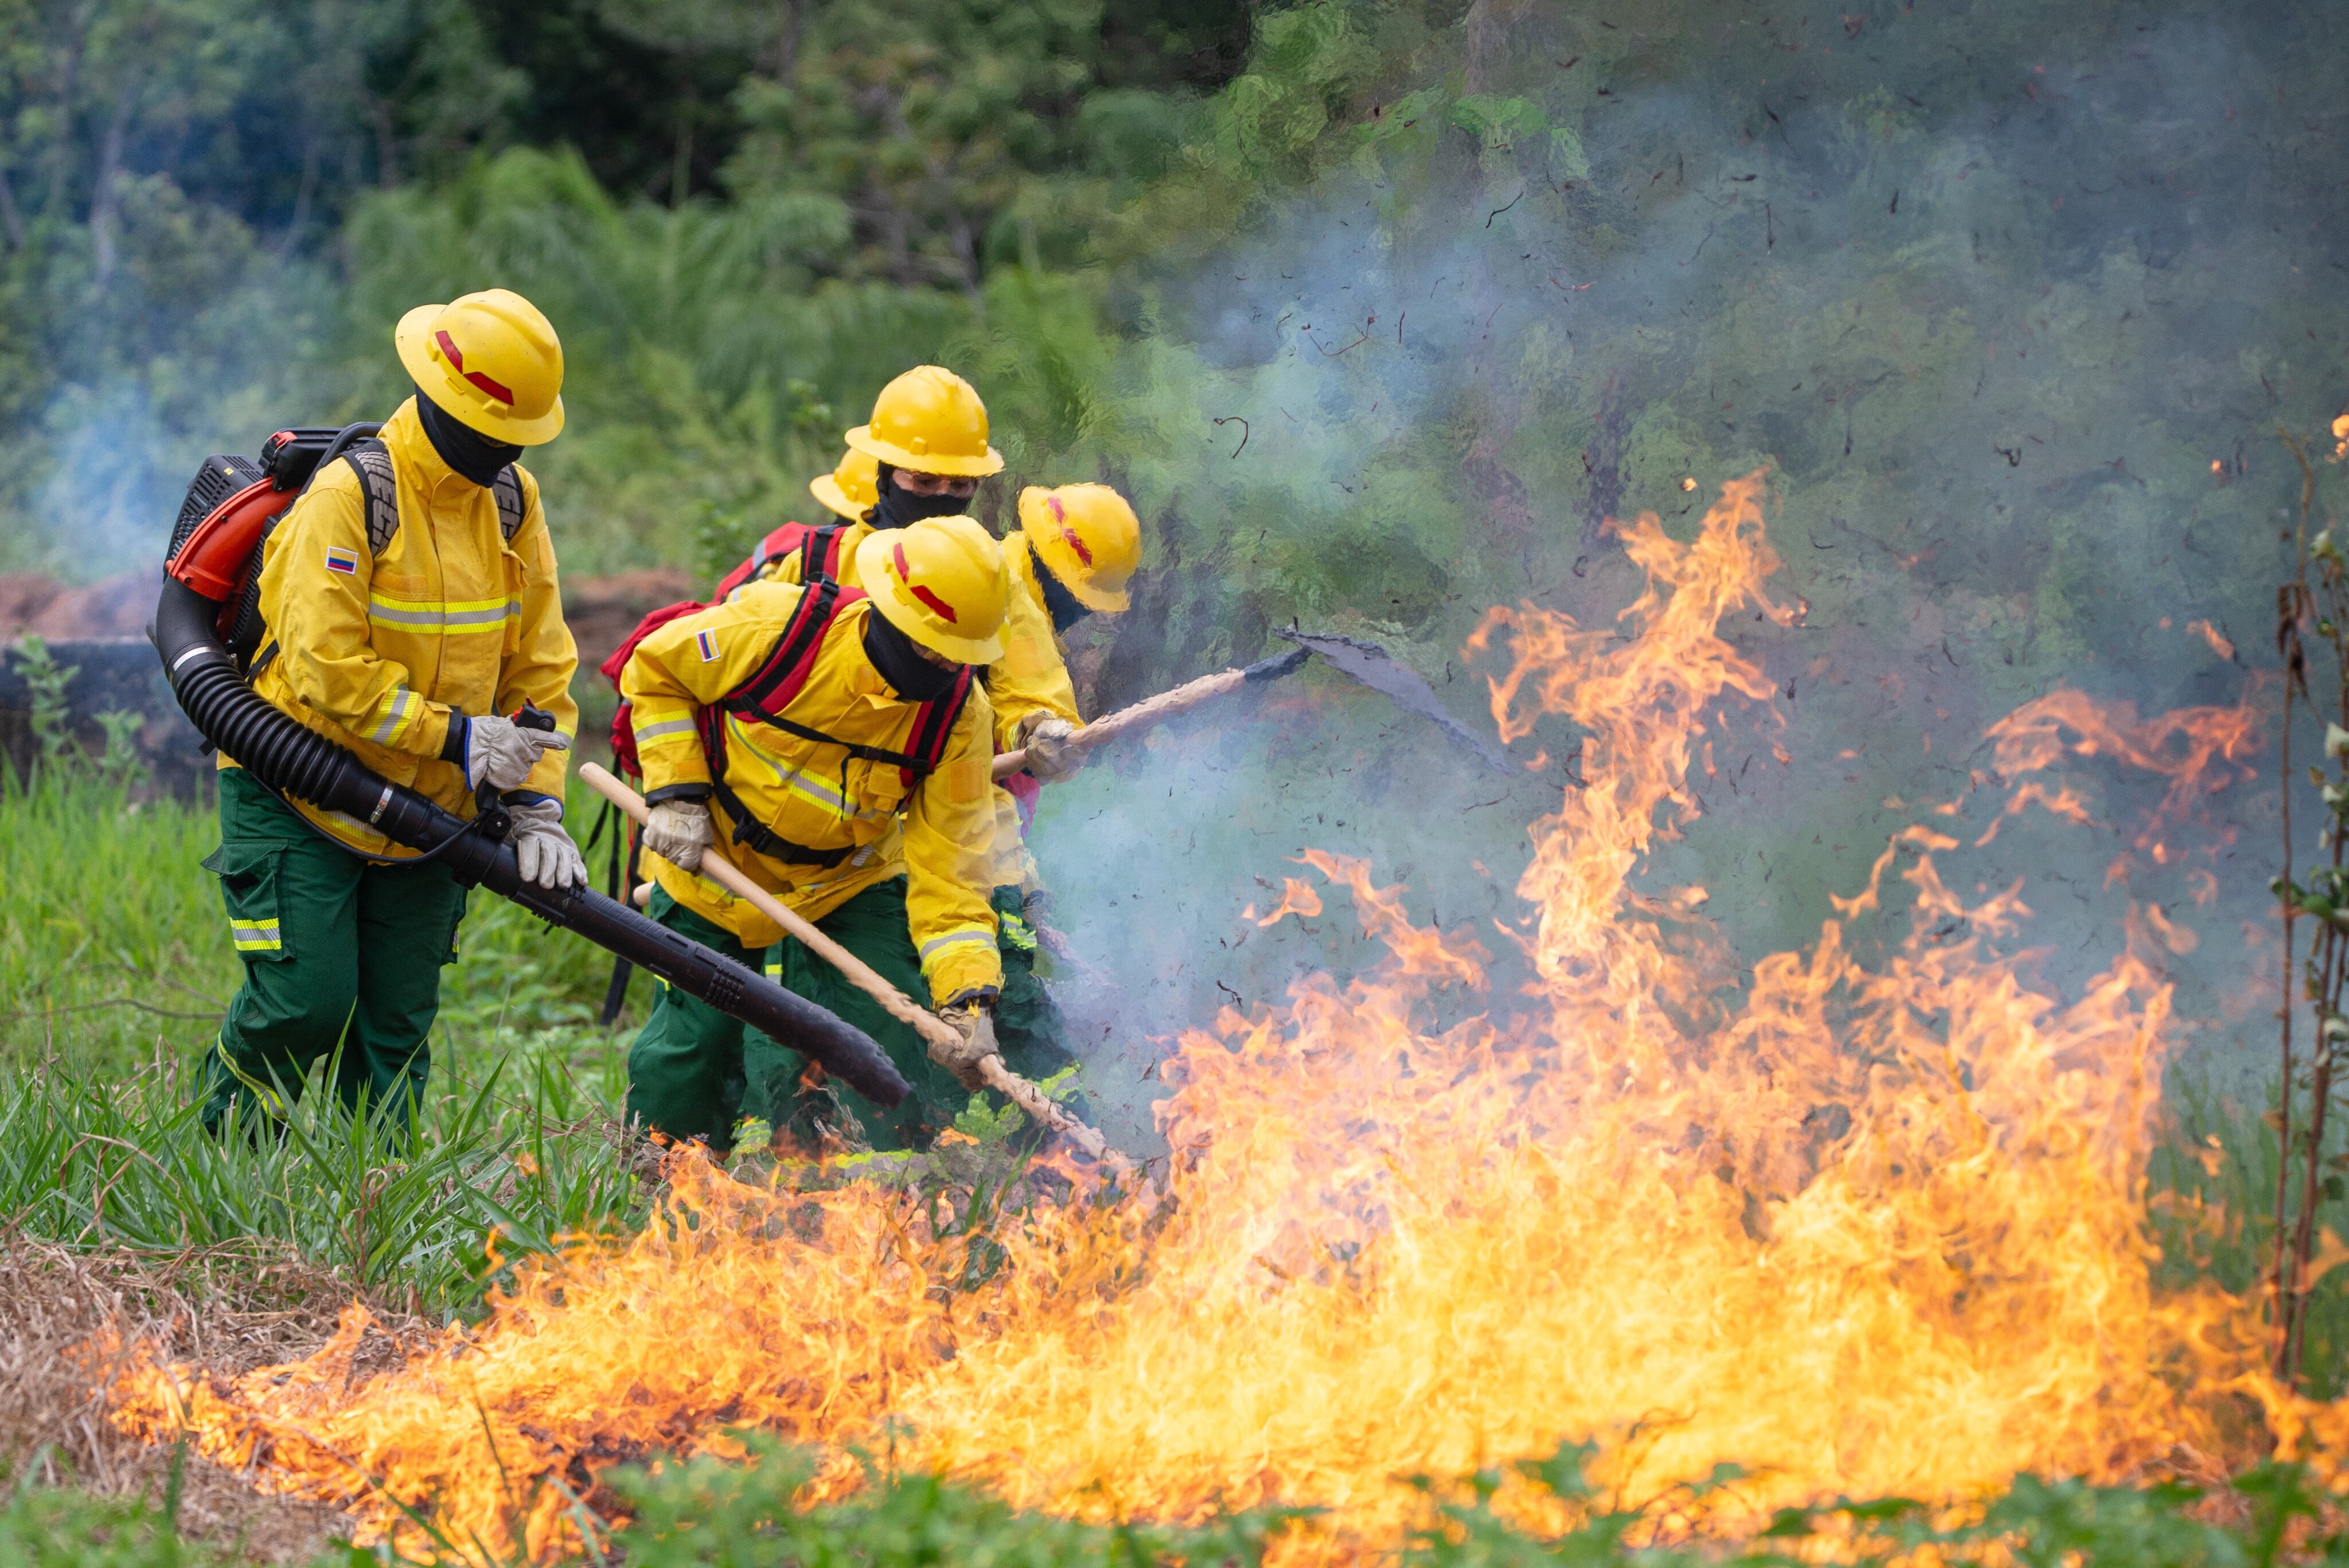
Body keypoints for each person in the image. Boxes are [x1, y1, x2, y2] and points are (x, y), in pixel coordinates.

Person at [198, 288, 585, 1135]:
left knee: (396, 1027)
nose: (504, 451)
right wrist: (458, 735)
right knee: (304, 1004)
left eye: (519, 435)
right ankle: (222, 1162)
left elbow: (543, 664)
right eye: (492, 431)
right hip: (298, 791)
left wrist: (537, 804)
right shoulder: (349, 495)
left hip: (434, 814)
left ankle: (370, 1206)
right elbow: (326, 667)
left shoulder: (513, 503)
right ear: (443, 402)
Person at [619, 515, 1012, 1155]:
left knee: (890, 1026)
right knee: (696, 1043)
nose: (946, 666)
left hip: (846, 883)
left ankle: (890, 1184)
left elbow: (954, 872)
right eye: (931, 647)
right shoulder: (776, 629)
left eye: (961, 654)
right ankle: (661, 1179)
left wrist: (967, 999)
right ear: (888, 612)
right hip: (711, 865)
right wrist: (676, 793)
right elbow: (656, 669)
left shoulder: (961, 716)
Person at [977, 483, 1142, 1081]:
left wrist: (1030, 886)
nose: (1080, 611)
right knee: (1008, 985)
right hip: (941, 845)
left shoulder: (1024, 612)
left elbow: (1000, 792)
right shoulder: (996, 596)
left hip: (981, 839)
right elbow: (1019, 709)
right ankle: (1059, 1138)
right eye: (1075, 594)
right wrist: (1040, 727)